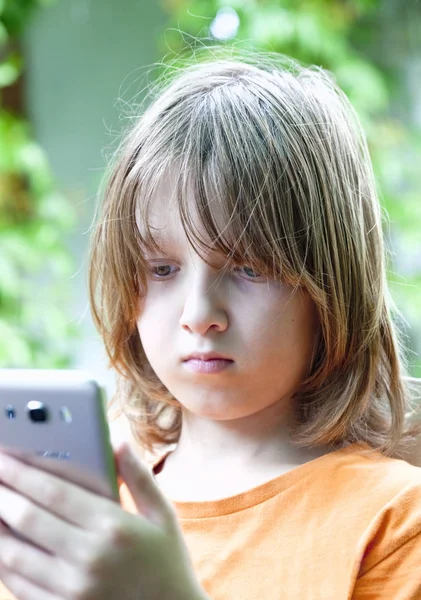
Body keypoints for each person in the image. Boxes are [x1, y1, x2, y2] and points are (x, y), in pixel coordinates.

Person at [0, 49, 421, 599]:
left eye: (248, 268)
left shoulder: (393, 522)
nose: (199, 315)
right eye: (163, 269)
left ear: (331, 285)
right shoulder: (93, 509)